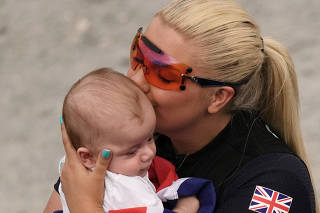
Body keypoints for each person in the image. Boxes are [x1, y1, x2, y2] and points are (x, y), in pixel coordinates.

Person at [44, 0, 319, 212]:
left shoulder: (273, 183)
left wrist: (85, 206)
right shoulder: (132, 132)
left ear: (218, 97)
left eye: (163, 74)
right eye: (138, 55)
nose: (135, 79)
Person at [54, 67, 215, 213]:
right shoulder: (127, 191)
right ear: (87, 157)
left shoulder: (72, 169)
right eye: (131, 152)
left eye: (150, 138)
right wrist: (185, 208)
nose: (149, 153)